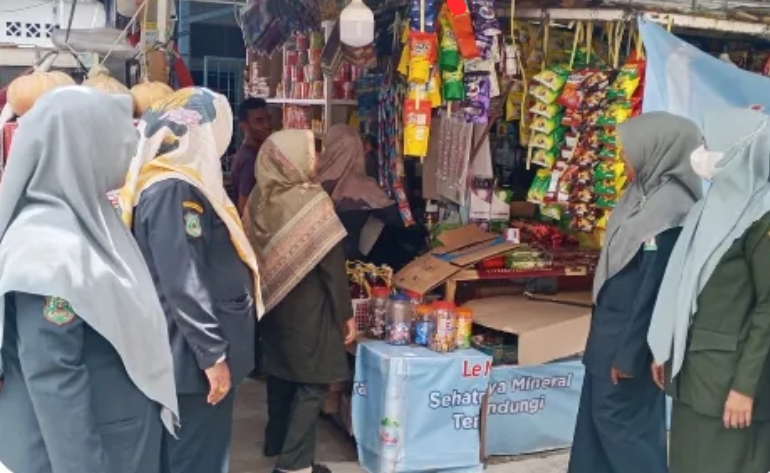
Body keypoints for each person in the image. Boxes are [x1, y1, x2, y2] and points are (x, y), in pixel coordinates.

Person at [0, 87, 178, 472]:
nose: (130, 147)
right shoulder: (47, 248)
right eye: (115, 136)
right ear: (83, 146)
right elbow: (53, 376)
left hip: (117, 436)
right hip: (80, 454)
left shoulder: (85, 218)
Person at [120, 87, 262, 473]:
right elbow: (182, 280)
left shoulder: (169, 184)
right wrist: (213, 355)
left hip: (186, 355)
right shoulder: (173, 190)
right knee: (197, 458)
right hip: (190, 361)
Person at [567, 112, 703, 473]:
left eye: (629, 150)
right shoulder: (641, 194)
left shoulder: (670, 208)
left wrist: (629, 357)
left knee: (627, 438)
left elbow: (655, 290)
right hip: (607, 339)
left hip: (627, 347)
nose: (623, 159)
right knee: (595, 435)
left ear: (657, 148)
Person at [648, 109, 770, 473]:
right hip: (695, 376)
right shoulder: (710, 208)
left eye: (709, 144)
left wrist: (745, 388)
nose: (701, 151)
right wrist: (666, 344)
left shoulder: (761, 218)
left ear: (739, 150)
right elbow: (685, 283)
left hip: (731, 387)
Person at [243, 129, 356, 473]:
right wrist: (345, 314)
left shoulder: (257, 200)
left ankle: (276, 441)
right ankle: (293, 465)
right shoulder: (313, 202)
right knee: (313, 382)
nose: (317, 160)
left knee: (280, 375)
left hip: (272, 307)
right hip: (311, 309)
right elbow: (332, 269)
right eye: (312, 153)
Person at [318, 124, 400, 261]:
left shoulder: (316, 182)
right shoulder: (365, 187)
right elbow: (395, 218)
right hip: (352, 263)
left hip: (321, 264)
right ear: (358, 149)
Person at [231, 97, 271, 214]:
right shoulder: (250, 159)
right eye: (259, 121)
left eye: (268, 119)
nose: (266, 125)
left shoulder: (255, 152)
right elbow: (244, 206)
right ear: (244, 126)